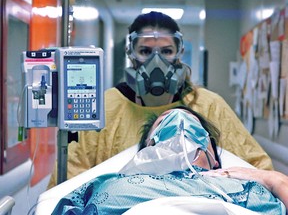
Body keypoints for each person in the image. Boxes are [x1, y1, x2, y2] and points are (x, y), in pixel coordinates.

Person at [48, 11, 272, 188]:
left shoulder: (208, 105)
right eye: (145, 51)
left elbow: (258, 169)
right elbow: (70, 180)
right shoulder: (104, 107)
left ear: (179, 53)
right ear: (131, 55)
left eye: (166, 52)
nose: (157, 61)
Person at [51, 107, 287, 214]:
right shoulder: (109, 185)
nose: (179, 124)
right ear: (145, 152)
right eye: (164, 124)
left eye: (192, 125)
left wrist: (272, 179)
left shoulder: (250, 188)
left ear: (215, 158)